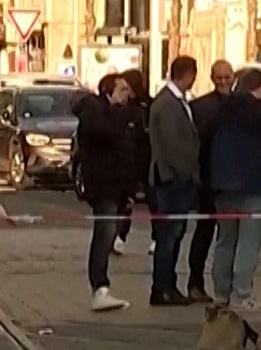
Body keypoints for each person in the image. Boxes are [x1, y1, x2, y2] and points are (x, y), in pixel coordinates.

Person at [203, 66, 261, 319]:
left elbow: (205, 147)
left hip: (222, 187)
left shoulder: (220, 110)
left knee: (225, 240)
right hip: (254, 186)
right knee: (248, 242)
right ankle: (242, 294)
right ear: (259, 85)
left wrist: (209, 183)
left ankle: (220, 293)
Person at [74, 73, 140, 311]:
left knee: (108, 233)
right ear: (108, 92)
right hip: (104, 186)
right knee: (104, 234)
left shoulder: (117, 115)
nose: (127, 96)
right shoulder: (96, 114)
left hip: (117, 185)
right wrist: (121, 114)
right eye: (122, 90)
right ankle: (99, 288)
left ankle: (101, 288)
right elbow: (106, 135)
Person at [147, 55, 201, 307]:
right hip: (171, 179)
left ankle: (167, 285)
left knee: (173, 235)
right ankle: (163, 288)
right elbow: (172, 145)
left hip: (173, 178)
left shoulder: (174, 101)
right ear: (188, 74)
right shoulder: (168, 104)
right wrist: (187, 173)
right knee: (169, 235)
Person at [185, 60, 236, 302]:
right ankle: (195, 283)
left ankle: (228, 285)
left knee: (230, 235)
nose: (224, 82)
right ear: (212, 78)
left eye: (227, 78)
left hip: (233, 181)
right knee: (203, 233)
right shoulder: (199, 107)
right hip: (207, 180)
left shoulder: (242, 105)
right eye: (219, 78)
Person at [119, 67, 153, 255]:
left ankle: (156, 238)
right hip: (128, 160)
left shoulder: (148, 105)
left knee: (153, 200)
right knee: (125, 201)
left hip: (147, 159)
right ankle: (120, 236)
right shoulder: (122, 107)